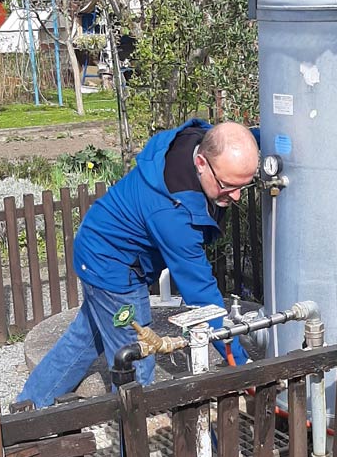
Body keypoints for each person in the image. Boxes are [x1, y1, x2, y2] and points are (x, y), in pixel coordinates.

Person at [17, 119, 260, 408]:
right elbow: (201, 294)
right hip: (112, 267)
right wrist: (241, 364)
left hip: (99, 246)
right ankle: (133, 450)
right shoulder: (171, 213)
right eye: (228, 186)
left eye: (244, 185)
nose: (236, 196)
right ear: (201, 163)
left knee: (81, 343)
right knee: (136, 367)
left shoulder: (201, 140)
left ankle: (22, 414)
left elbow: (247, 138)